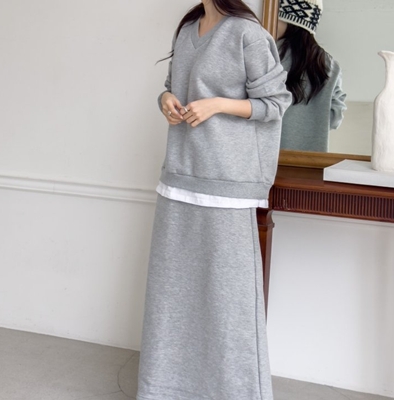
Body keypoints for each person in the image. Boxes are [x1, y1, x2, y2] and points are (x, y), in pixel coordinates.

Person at [137, 1, 291, 399]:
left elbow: (276, 103)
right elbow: (171, 85)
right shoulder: (188, 30)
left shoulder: (247, 34)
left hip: (227, 184)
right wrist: (166, 100)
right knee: (171, 296)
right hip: (179, 176)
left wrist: (218, 104)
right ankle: (165, 389)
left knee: (229, 303)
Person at [277, 0, 347, 152]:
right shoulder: (330, 65)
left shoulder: (271, 55)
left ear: (288, 19)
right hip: (312, 160)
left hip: (269, 157)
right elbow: (335, 119)